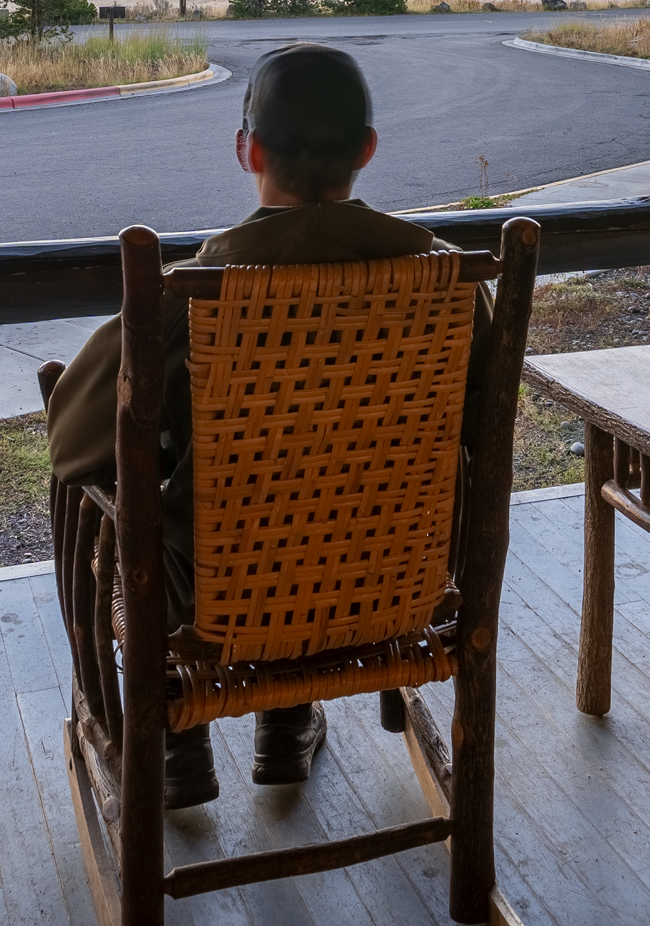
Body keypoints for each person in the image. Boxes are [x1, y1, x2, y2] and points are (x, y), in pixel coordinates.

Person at [41, 40, 483, 809]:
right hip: (397, 583)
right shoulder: (446, 278)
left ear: (248, 150)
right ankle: (285, 721)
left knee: (147, 496)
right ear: (368, 150)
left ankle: (176, 736)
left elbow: (73, 442)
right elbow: (479, 426)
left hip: (220, 600)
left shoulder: (196, 294)